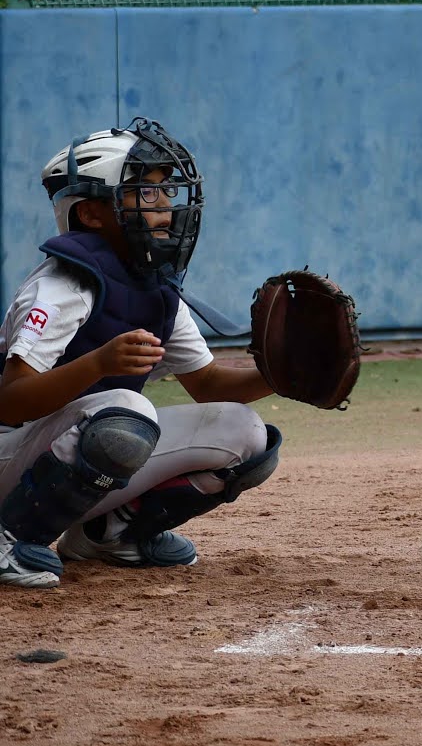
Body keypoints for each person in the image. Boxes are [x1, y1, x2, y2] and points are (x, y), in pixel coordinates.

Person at [0, 119, 281, 589]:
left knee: (245, 433)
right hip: (9, 454)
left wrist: (285, 373)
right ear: (92, 214)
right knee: (126, 411)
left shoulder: (151, 287)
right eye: (146, 194)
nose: (166, 207)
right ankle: (9, 538)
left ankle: (108, 534)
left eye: (166, 192)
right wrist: (98, 364)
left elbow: (209, 384)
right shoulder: (64, 284)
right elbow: (9, 401)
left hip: (67, 450)